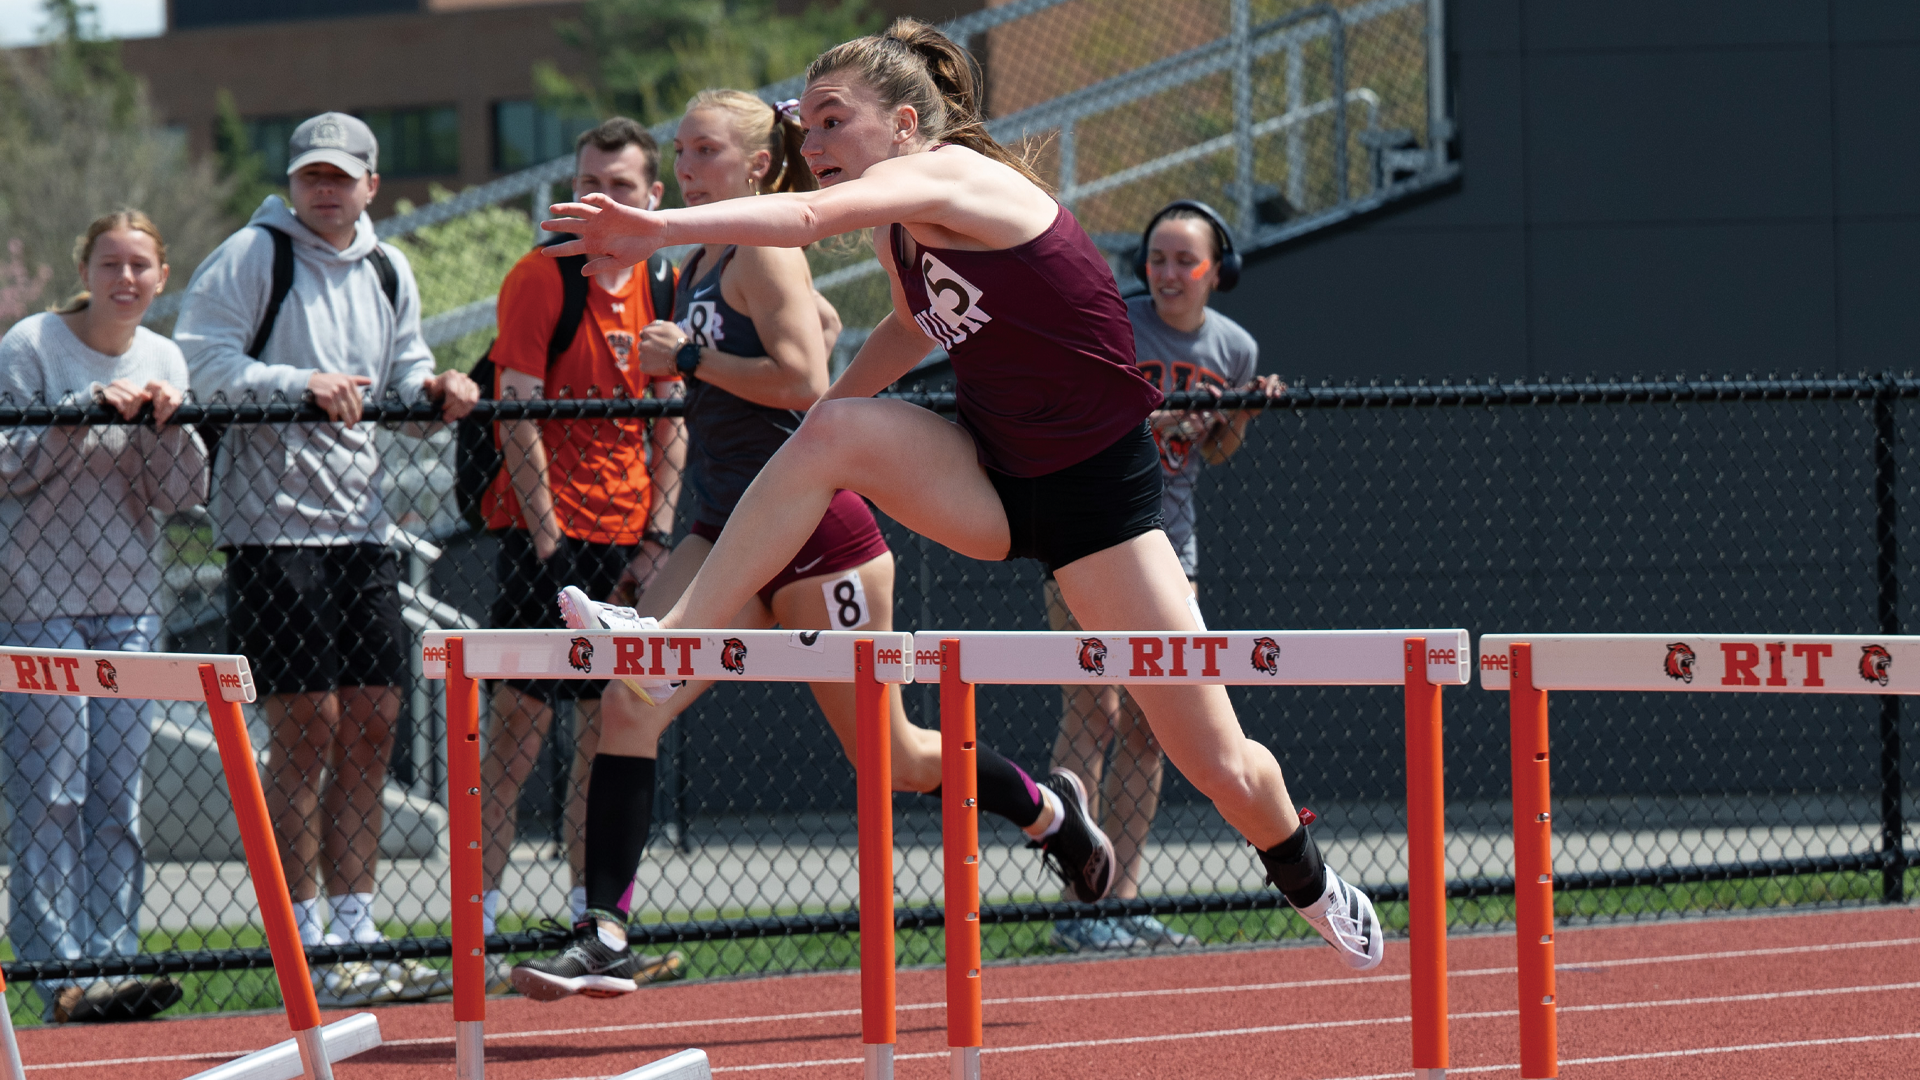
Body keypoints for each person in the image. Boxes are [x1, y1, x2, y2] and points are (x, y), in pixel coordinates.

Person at [541, 19, 1384, 971]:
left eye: (832, 124)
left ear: (905, 124)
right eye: (803, 129)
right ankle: (667, 643)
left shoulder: (957, 178)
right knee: (829, 429)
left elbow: (808, 222)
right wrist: (824, 434)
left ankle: (1309, 878)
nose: (812, 148)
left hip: (1098, 508)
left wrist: (657, 227)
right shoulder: (905, 227)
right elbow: (907, 328)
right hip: (991, 477)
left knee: (1220, 762)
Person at [510, 88, 1111, 1001]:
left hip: (820, 536)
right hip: (725, 523)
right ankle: (604, 931)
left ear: (756, 166)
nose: (683, 169)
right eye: (679, 151)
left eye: (704, 152)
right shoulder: (697, 261)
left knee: (892, 756)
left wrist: (700, 363)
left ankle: (1047, 810)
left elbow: (808, 379)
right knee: (630, 701)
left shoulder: (762, 248)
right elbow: (810, 339)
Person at [176, 112, 479, 1006]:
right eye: (313, 174)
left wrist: (436, 392)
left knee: (375, 722)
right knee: (305, 730)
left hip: (361, 525)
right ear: (294, 180)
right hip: (269, 529)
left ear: (371, 186)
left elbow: (404, 378)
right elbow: (203, 368)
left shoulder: (389, 266)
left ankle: (357, 928)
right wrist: (294, 385)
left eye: (342, 176)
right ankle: (301, 937)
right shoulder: (250, 257)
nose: (326, 189)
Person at [474, 117, 685, 981]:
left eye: (624, 186)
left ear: (653, 198)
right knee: (515, 736)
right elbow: (516, 416)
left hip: (627, 542)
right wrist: (551, 551)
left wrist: (659, 538)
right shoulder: (540, 277)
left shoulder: (664, 281)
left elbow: (670, 424)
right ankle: (474, 926)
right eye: (591, 184)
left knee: (609, 736)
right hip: (545, 542)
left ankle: (590, 927)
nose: (606, 201)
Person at [1048, 201, 1283, 952]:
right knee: (1095, 713)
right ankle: (1073, 905)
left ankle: (1121, 900)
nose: (1169, 273)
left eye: (1186, 261)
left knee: (1155, 731)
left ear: (1219, 270)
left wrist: (1237, 419)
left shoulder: (1234, 347)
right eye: (1158, 258)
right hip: (1088, 540)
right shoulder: (1118, 320)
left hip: (1171, 553)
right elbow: (1077, 418)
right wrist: (1159, 421)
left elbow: (1210, 457)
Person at [0, 211, 204, 1023]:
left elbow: (183, 494)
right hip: (36, 597)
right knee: (50, 793)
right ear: (83, 267)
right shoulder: (30, 346)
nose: (126, 281)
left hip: (127, 601)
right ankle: (60, 976)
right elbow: (6, 469)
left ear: (162, 274)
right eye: (111, 264)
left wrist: (162, 426)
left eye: (142, 267)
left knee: (116, 794)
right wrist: (78, 410)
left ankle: (112, 962)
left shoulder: (166, 354)